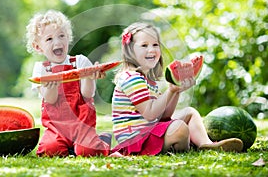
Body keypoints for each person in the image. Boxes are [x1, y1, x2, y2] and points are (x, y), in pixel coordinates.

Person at [111, 22, 243, 156]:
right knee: (180, 128)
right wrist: (170, 91)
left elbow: (164, 115)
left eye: (155, 45)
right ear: (130, 51)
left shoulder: (148, 81)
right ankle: (187, 144)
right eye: (144, 45)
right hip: (138, 140)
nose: (151, 50)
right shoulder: (131, 78)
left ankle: (206, 144)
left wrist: (176, 90)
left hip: (150, 131)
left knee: (189, 112)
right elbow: (150, 114)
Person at [25, 10, 110, 157]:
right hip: (56, 129)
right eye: (49, 39)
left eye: (61, 36)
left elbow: (87, 94)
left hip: (83, 125)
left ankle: (103, 140)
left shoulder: (80, 61)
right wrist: (51, 84)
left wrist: (89, 76)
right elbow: (50, 100)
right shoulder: (41, 69)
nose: (57, 42)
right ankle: (68, 146)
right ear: (38, 47)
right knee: (49, 151)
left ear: (68, 38)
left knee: (88, 152)